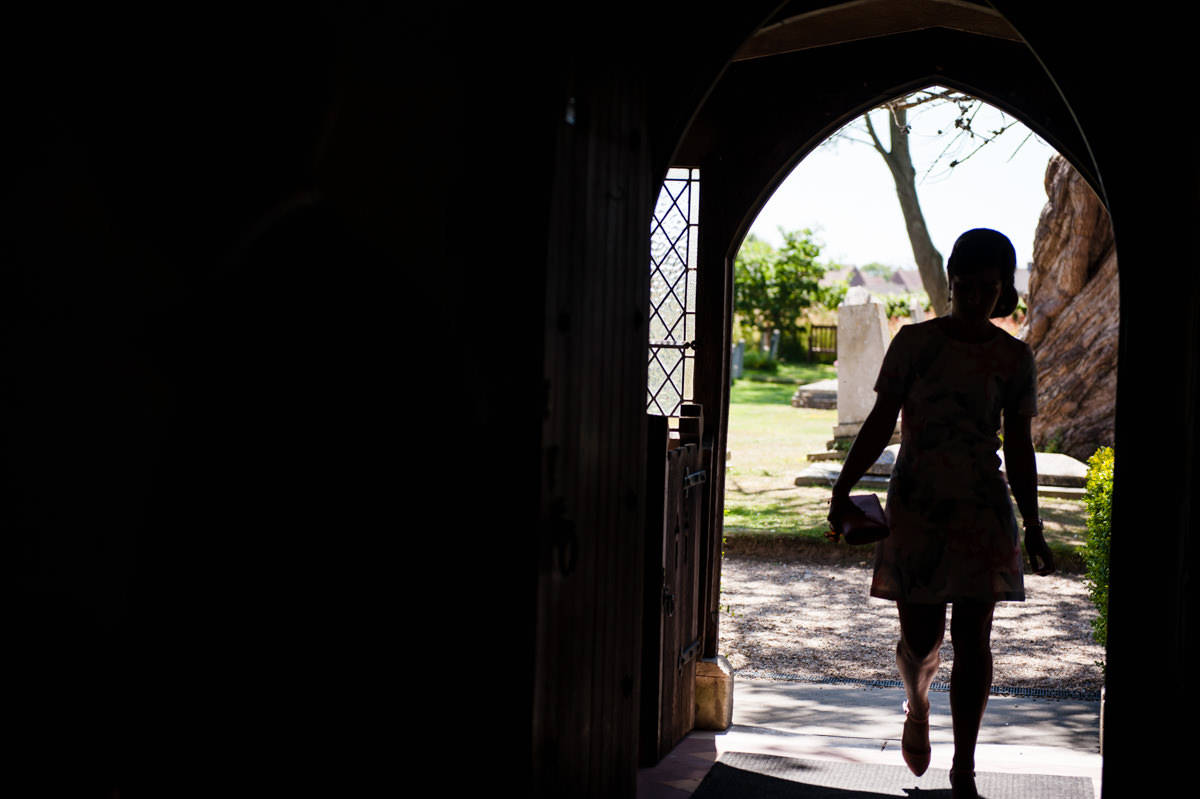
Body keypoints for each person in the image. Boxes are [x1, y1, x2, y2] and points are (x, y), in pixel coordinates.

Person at [827, 228, 1056, 799]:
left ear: (1003, 290)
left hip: (982, 509)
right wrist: (844, 487)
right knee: (922, 635)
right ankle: (918, 701)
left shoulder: (1013, 357)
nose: (976, 297)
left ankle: (965, 768)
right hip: (919, 509)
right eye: (965, 285)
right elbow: (881, 422)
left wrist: (1034, 525)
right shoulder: (914, 344)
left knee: (975, 637)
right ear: (950, 281)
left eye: (988, 288)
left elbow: (1021, 449)